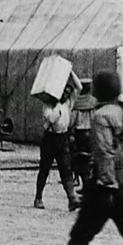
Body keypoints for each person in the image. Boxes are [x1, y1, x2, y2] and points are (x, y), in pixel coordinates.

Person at [63, 72, 123, 245]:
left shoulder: (101, 116)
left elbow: (105, 153)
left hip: (106, 185)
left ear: (98, 91)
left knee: (80, 236)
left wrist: (107, 184)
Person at [34, 77, 83, 211]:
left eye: (68, 93)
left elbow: (79, 88)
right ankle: (38, 197)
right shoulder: (48, 106)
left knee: (66, 170)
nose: (67, 95)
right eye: (64, 92)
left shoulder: (68, 104)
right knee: (44, 169)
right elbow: (52, 119)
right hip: (49, 139)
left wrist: (70, 72)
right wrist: (57, 105)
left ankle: (72, 198)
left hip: (62, 138)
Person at [69, 78, 97, 195]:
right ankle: (90, 184)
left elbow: (71, 122)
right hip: (91, 133)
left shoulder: (76, 103)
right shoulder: (94, 102)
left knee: (80, 161)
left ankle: (86, 184)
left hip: (80, 134)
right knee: (91, 160)